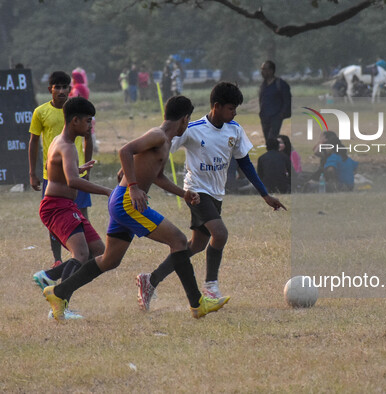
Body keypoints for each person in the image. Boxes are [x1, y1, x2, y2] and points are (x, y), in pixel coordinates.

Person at [43, 96, 229, 321]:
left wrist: (184, 194)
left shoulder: (166, 142)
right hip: (126, 202)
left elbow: (157, 176)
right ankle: (197, 304)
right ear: (184, 119)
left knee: (109, 260)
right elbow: (125, 151)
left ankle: (58, 292)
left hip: (123, 202)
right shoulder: (158, 135)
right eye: (188, 121)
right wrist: (132, 186)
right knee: (179, 241)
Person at [135, 82, 286, 310]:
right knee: (221, 233)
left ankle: (151, 279)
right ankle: (210, 286)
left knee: (195, 246)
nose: (234, 113)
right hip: (196, 192)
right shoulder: (193, 129)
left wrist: (264, 194)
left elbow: (244, 162)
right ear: (216, 106)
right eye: (231, 108)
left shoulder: (234, 130)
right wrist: (145, 176)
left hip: (216, 194)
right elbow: (163, 143)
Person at [33, 97, 111, 320]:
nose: (89, 126)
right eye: (87, 121)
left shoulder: (61, 141)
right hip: (57, 206)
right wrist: (107, 191)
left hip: (66, 205)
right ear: (74, 120)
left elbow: (60, 171)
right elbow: (72, 182)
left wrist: (76, 168)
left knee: (98, 251)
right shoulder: (67, 146)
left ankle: (49, 276)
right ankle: (59, 305)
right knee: (81, 254)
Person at [29, 71, 94, 268]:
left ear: (70, 89)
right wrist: (32, 173)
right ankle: (57, 259)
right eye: (57, 87)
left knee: (80, 214)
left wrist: (87, 167)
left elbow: (88, 138)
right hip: (54, 175)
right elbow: (34, 142)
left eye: (65, 86)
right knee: (56, 219)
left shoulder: (75, 110)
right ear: (50, 89)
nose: (62, 90)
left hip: (77, 172)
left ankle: (83, 255)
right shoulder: (40, 112)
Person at [259, 60, 291, 143]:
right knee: (267, 139)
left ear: (271, 70)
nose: (262, 72)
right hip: (264, 117)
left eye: (264, 69)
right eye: (262, 69)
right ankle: (272, 154)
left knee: (272, 138)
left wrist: (281, 114)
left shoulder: (281, 84)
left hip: (276, 116)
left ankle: (275, 153)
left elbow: (287, 100)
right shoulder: (263, 85)